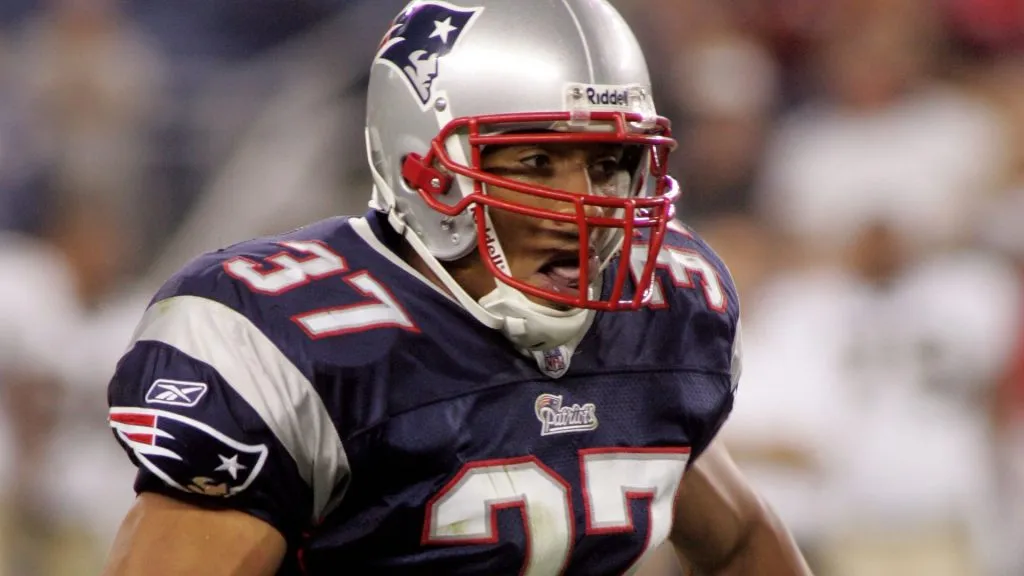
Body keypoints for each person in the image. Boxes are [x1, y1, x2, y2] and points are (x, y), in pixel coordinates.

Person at [100, 1, 811, 574]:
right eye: (536, 162)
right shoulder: (291, 341)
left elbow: (742, 541)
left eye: (609, 163)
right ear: (425, 171)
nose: (586, 207)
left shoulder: (663, 312)